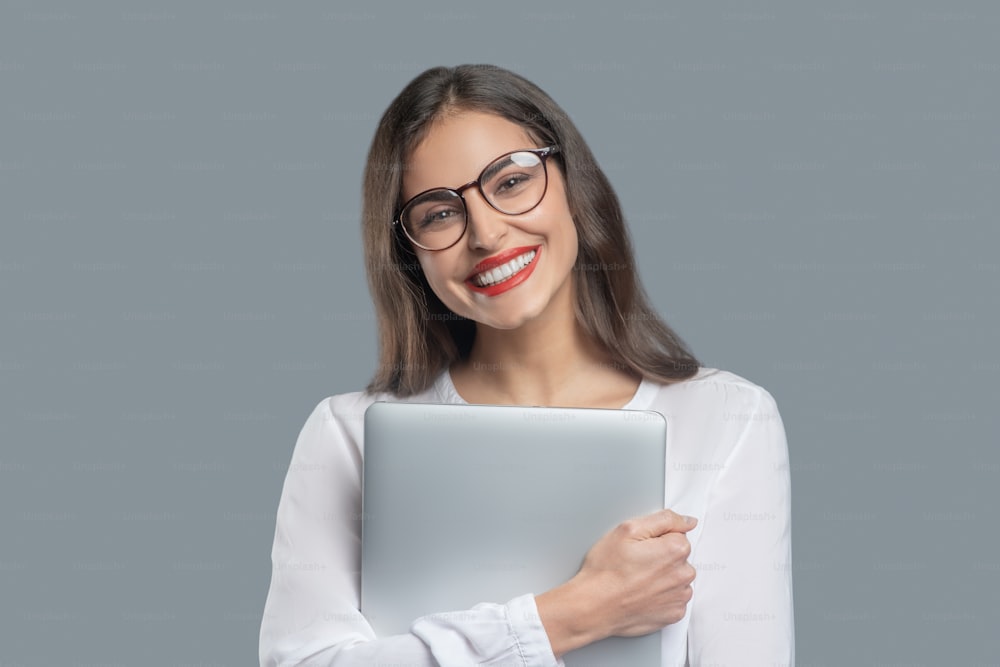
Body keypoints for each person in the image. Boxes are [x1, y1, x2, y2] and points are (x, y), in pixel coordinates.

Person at [259, 64, 794, 666]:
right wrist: (567, 617)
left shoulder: (726, 418)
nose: (485, 233)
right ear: (409, 255)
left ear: (573, 184)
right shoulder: (348, 435)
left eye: (510, 182)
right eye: (438, 214)